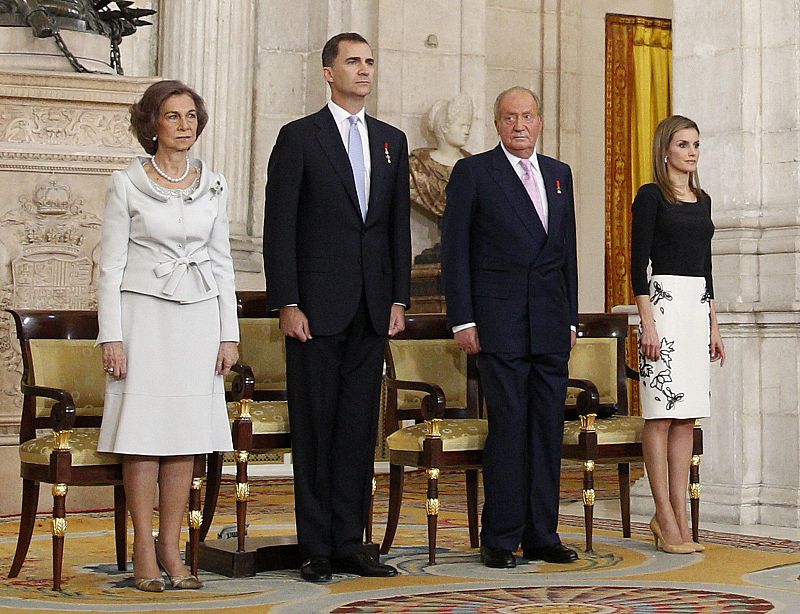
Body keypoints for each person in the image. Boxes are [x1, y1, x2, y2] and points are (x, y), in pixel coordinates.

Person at [263, 32, 411, 583]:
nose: (364, 70)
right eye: (353, 61)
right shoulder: (300, 137)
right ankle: (316, 548)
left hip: (373, 308)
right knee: (316, 429)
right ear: (328, 72)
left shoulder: (391, 140)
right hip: (315, 311)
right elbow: (279, 228)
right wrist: (288, 301)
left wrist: (398, 297)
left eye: (370, 61)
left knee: (355, 432)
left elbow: (396, 229)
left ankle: (351, 543)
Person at [96, 80, 238, 592]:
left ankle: (171, 548)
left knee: (186, 436)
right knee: (144, 433)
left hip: (198, 319)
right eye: (173, 117)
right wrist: (110, 336)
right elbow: (109, 266)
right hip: (143, 319)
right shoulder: (126, 182)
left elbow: (222, 263)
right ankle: (142, 550)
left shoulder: (215, 184)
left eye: (190, 116)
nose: (184, 126)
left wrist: (229, 335)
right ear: (151, 124)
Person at [441, 86, 579, 569]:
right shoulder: (475, 172)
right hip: (497, 324)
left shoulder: (560, 175)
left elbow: (566, 254)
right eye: (509, 118)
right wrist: (463, 319)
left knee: (546, 429)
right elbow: (454, 252)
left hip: (549, 324)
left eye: (528, 116)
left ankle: (542, 534)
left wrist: (570, 318)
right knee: (510, 429)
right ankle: (499, 537)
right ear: (496, 124)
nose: (520, 125)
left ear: (540, 121)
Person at [631, 114, 725, 554]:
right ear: (665, 149)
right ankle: (663, 515)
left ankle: (680, 518)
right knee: (660, 415)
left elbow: (706, 269)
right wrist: (648, 323)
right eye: (684, 144)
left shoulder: (703, 200)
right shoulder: (650, 197)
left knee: (687, 415)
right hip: (663, 307)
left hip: (694, 309)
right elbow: (636, 267)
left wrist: (714, 326)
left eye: (696, 144)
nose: (691, 152)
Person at [409, 93, 473, 221]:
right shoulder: (417, 168)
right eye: (461, 125)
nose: (467, 131)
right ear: (444, 127)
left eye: (468, 126)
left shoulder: (474, 166)